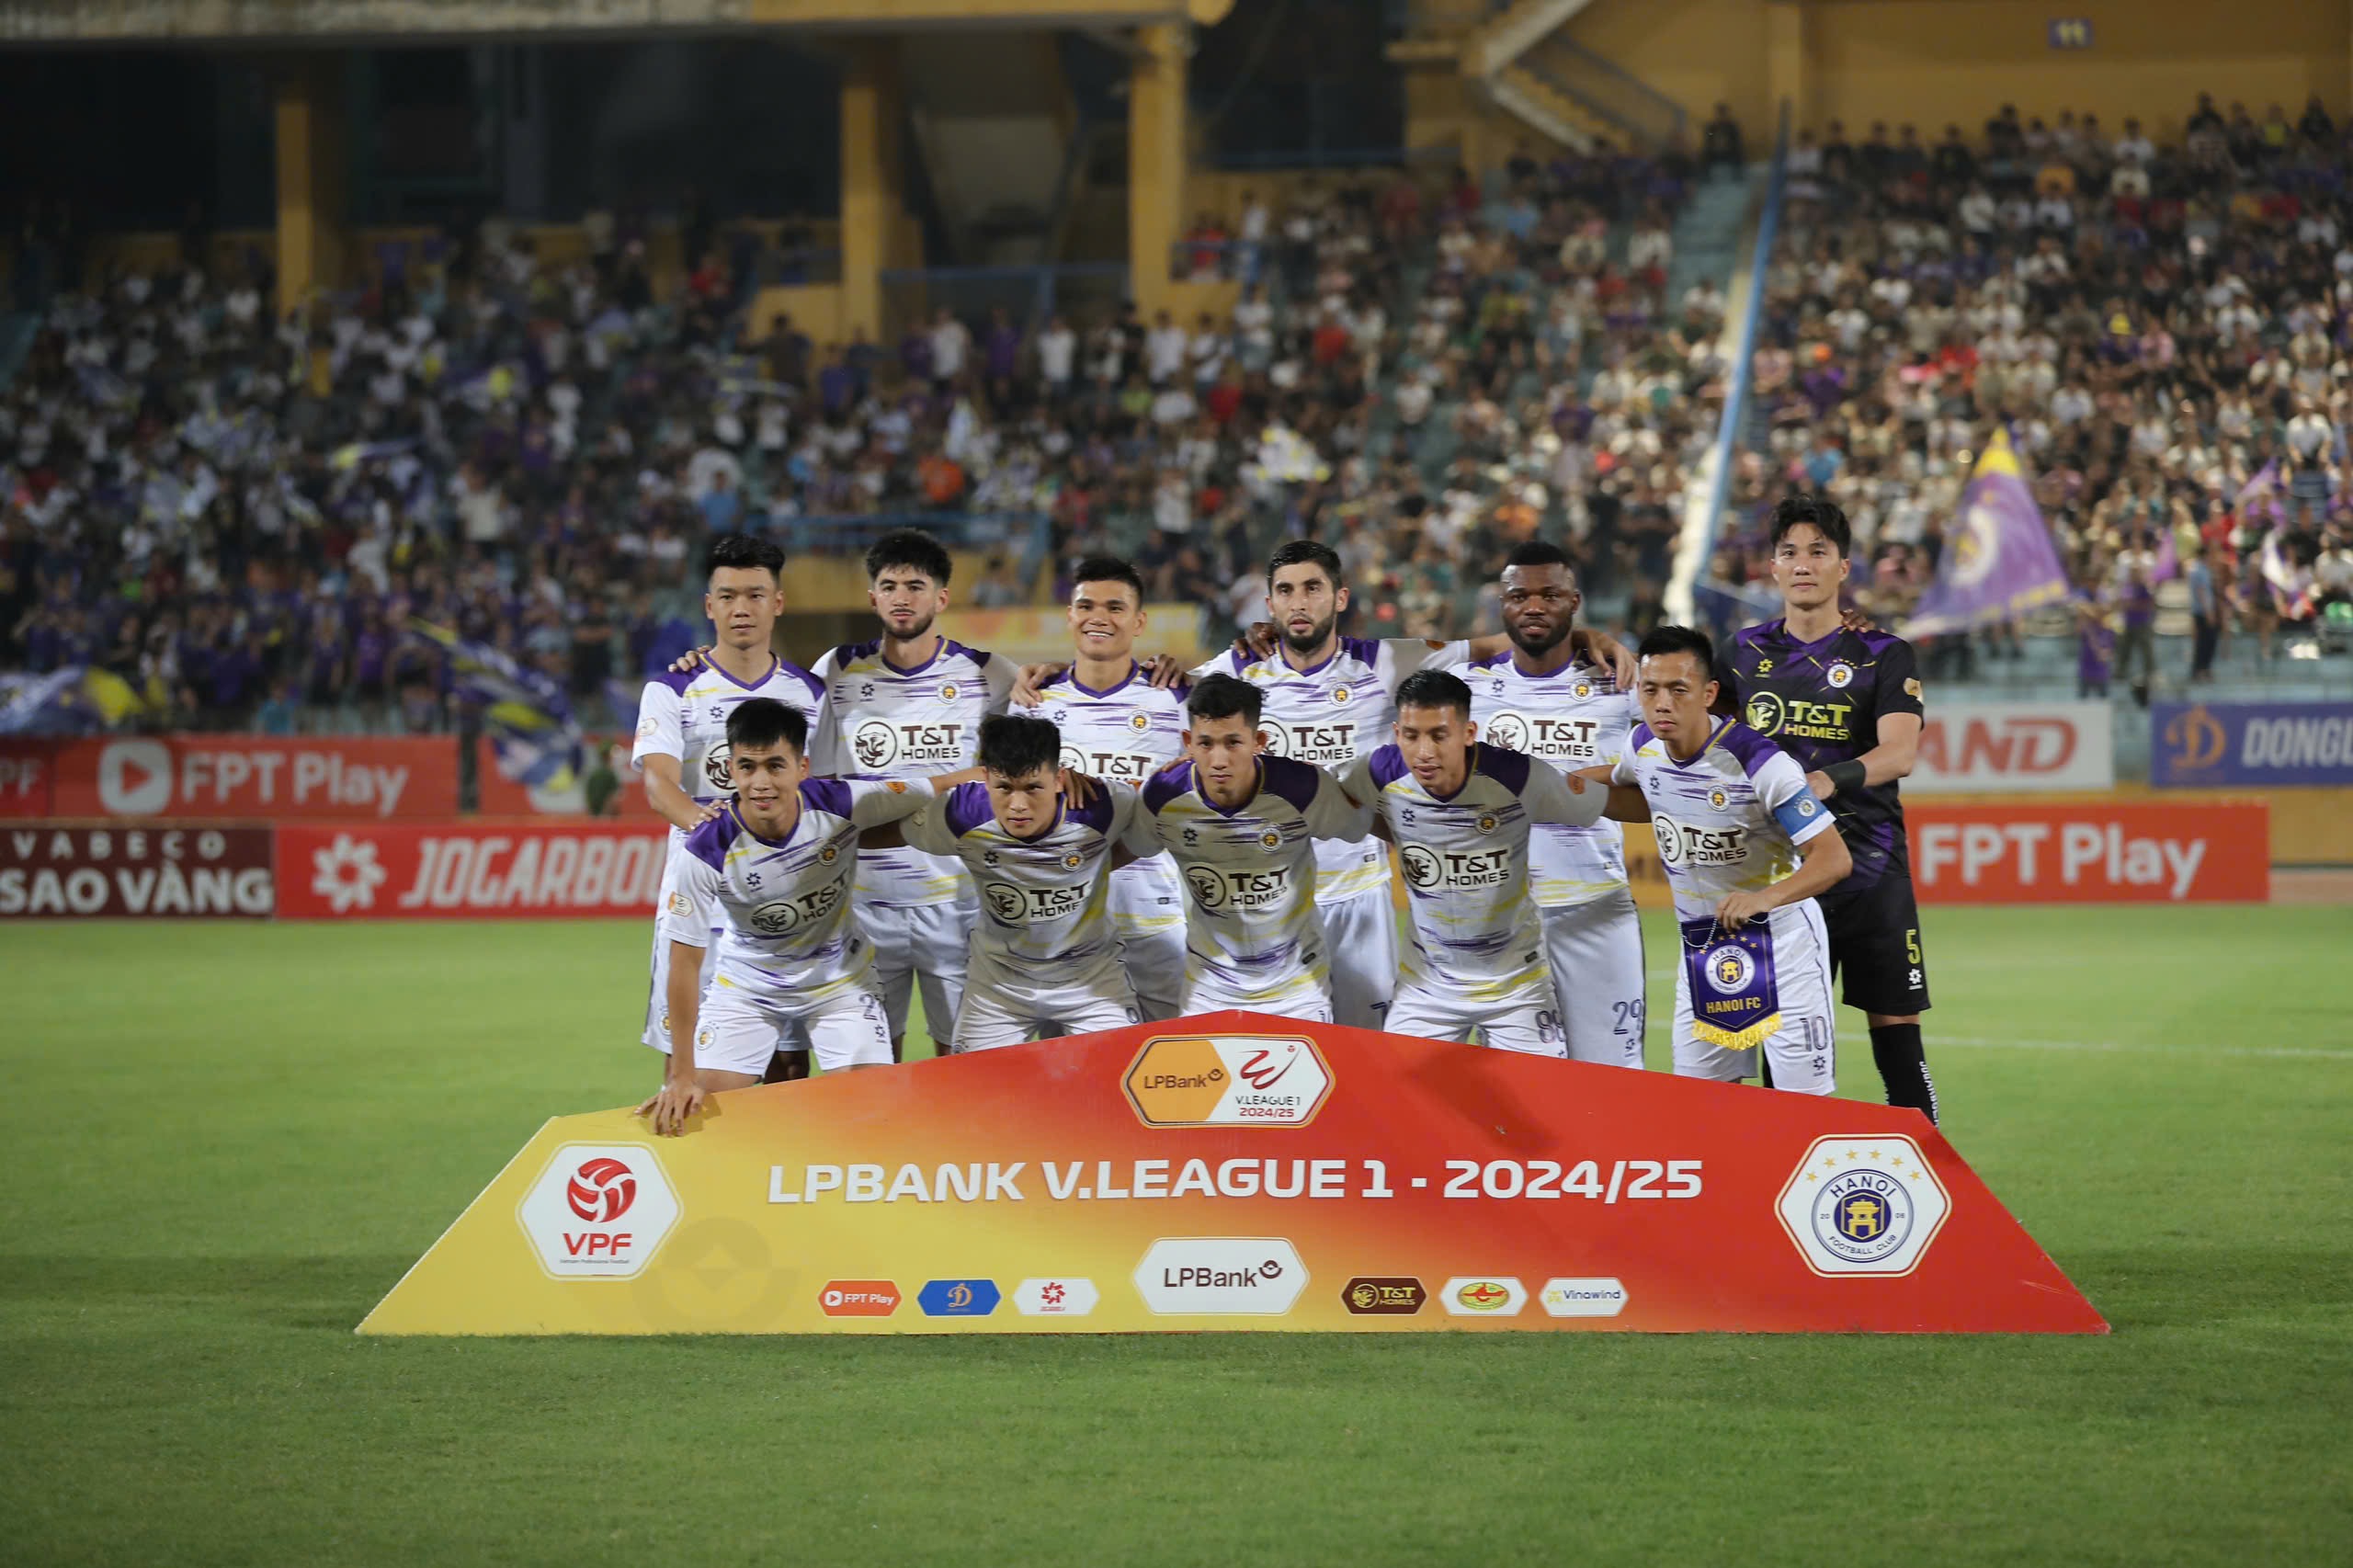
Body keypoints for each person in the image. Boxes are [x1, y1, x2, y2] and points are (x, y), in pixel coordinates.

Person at [636, 700, 944, 1136]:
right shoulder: (705, 848)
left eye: (775, 766)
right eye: (748, 767)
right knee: (696, 1118)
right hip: (747, 988)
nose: (761, 782)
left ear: (802, 767)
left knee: (872, 1119)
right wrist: (681, 1075)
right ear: (730, 769)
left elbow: (937, 785)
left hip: (841, 984)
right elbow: (684, 963)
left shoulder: (842, 802)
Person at [1724, 496, 1936, 1119]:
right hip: (1785, 879)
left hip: (1873, 873)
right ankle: (1776, 1188)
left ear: (1844, 567)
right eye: (1791, 552)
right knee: (1780, 1044)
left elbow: (1899, 754)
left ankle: (1937, 1184)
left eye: (1819, 551)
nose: (1804, 564)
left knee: (1897, 1036)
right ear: (1772, 567)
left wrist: (1825, 780)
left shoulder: (1883, 654)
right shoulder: (1738, 654)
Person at [1584, 627, 1851, 1095]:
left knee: (1806, 1109)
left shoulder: (1761, 763)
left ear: (1708, 694)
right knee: (1698, 1107)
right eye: (1650, 689)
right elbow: (1629, 792)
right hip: (1705, 951)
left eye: (1678, 690)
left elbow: (1833, 858)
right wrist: (1548, 788)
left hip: (1783, 950)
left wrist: (1763, 899)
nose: (1662, 703)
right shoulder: (1642, 747)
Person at [1437, 542, 1647, 1067]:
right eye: (1519, 596)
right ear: (1501, 605)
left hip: (1594, 907)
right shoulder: (1462, 687)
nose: (1534, 606)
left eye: (1550, 595)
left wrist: (1570, 787)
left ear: (1574, 601)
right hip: (1496, 915)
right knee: (1514, 1085)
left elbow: (1664, 780)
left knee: (1615, 1080)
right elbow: (1353, 659)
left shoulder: (1622, 684)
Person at [810, 530, 1016, 1058]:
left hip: (958, 901)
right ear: (872, 597)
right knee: (874, 1064)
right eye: (890, 585)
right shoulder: (836, 669)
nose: (903, 596)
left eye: (916, 585)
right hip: (864, 902)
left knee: (964, 1063)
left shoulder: (988, 673)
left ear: (941, 598)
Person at [631, 534, 828, 1078]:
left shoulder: (812, 694)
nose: (742, 608)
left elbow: (829, 799)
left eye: (756, 594)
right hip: (700, 903)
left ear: (778, 603)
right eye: (728, 595)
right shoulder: (672, 687)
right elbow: (659, 786)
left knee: (789, 1071)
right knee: (687, 1068)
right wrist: (720, 836)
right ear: (709, 605)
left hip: (788, 902)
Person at [1338, 669, 1605, 1053]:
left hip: (1517, 985)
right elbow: (1322, 800)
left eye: (1439, 735)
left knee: (1542, 1106)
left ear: (1468, 733)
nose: (1424, 752)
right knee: (1395, 1106)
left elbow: (1604, 801)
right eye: (1411, 736)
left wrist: (1660, 781)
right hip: (1425, 989)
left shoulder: (1517, 776)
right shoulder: (1377, 773)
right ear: (1397, 734)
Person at [1127, 674, 1375, 1021]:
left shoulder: (1302, 788)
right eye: (1205, 743)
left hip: (1297, 986)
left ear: (1259, 741)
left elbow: (1355, 827)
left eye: (1233, 743)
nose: (1218, 760)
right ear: (1188, 742)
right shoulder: (1163, 794)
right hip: (1207, 988)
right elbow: (1130, 845)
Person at [890, 715, 1142, 1051]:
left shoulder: (1103, 806)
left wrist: (1095, 865)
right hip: (999, 987)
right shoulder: (961, 814)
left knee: (1122, 1080)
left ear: (1059, 779)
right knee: (972, 1094)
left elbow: (1158, 818)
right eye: (1004, 788)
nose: (1018, 806)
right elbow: (875, 830)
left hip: (1091, 983)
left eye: (1033, 787)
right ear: (986, 779)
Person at [1029, 558, 1192, 1019]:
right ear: (1069, 614)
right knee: (1069, 1080)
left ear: (1139, 622)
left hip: (1155, 921)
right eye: (1086, 605)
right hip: (1064, 924)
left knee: (1171, 1069)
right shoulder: (1033, 705)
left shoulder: (1176, 699)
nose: (1098, 617)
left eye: (1115, 607)